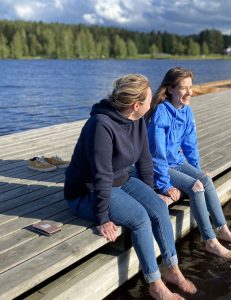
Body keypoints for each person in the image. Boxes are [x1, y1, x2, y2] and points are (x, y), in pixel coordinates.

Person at [64, 74, 196, 300]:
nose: (153, 100)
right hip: (89, 191)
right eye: (148, 98)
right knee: (140, 218)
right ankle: (155, 284)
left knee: (158, 207)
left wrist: (150, 193)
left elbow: (145, 160)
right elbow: (101, 175)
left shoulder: (137, 121)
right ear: (136, 105)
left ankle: (172, 269)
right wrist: (102, 217)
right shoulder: (100, 125)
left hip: (122, 180)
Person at [146, 67, 231, 260]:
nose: (189, 92)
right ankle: (210, 241)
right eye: (184, 88)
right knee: (196, 186)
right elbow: (157, 154)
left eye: (190, 87)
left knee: (205, 180)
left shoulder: (187, 112)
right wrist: (165, 185)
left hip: (177, 161)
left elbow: (190, 145)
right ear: (170, 89)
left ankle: (223, 229)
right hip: (159, 166)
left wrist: (196, 170)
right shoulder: (160, 112)